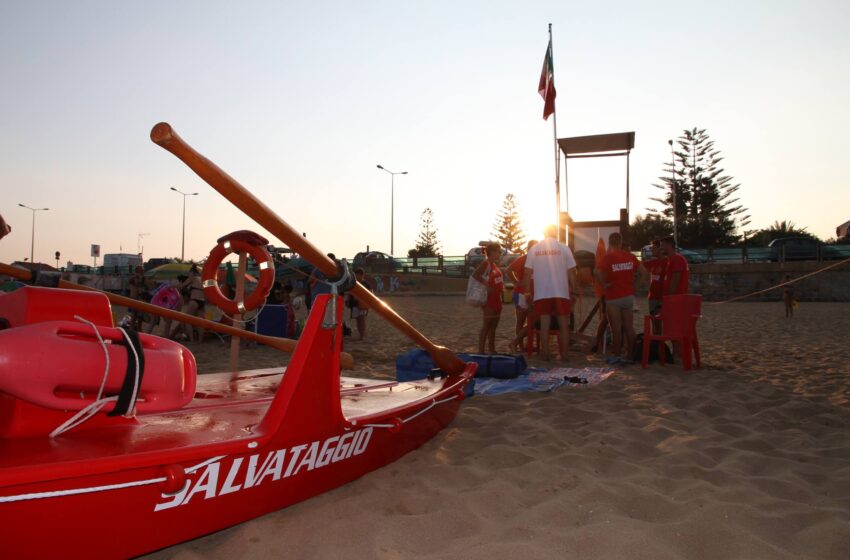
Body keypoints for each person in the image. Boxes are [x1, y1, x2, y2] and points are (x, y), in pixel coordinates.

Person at [523, 225, 577, 362]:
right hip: (561, 291)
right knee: (563, 324)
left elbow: (527, 273)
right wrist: (574, 290)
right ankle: (565, 355)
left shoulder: (534, 249)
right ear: (556, 233)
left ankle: (545, 353)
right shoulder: (564, 248)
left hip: (542, 292)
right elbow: (572, 272)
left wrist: (527, 293)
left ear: (544, 233)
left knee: (544, 323)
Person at [595, 232, 647, 362]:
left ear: (609, 242)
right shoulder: (630, 256)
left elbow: (596, 271)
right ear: (620, 242)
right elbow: (643, 272)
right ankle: (630, 355)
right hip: (628, 296)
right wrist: (635, 287)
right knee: (629, 327)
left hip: (613, 297)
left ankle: (617, 355)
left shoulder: (608, 258)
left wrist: (604, 284)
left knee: (616, 328)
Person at [473, 242, 504, 353]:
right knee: (486, 326)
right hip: (489, 300)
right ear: (492, 252)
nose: (500, 254)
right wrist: (486, 284)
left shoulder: (495, 265)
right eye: (499, 252)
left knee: (493, 327)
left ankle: (492, 349)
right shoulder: (486, 264)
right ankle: (481, 351)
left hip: (497, 299)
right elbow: (475, 275)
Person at [506, 240, 537, 352]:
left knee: (532, 321)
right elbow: (509, 270)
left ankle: (527, 345)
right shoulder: (523, 259)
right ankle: (520, 345)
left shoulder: (539, 259)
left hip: (534, 294)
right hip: (521, 294)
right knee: (521, 320)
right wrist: (516, 282)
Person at [173, 265, 206, 342]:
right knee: (201, 322)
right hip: (202, 302)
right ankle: (200, 341)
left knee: (187, 320)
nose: (188, 274)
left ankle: (192, 340)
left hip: (194, 301)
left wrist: (171, 286)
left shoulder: (192, 278)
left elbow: (181, 286)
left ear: (192, 273)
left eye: (189, 273)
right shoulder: (202, 279)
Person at [643, 238, 668, 333]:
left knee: (659, 322)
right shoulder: (653, 261)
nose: (651, 250)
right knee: (653, 322)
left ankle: (659, 343)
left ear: (660, 249)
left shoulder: (667, 262)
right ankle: (655, 343)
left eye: (653, 248)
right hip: (652, 297)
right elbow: (638, 265)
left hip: (661, 297)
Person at [347, 268, 372, 340]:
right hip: (354, 304)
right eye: (355, 275)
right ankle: (360, 334)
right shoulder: (353, 283)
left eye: (357, 275)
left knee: (361, 319)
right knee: (358, 319)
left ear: (362, 275)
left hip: (363, 304)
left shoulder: (366, 284)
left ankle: (362, 335)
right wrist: (348, 300)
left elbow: (370, 294)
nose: (356, 276)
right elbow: (350, 292)